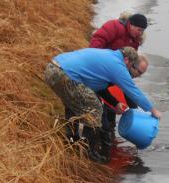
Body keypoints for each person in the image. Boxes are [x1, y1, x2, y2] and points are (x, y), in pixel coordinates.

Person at [44, 47, 161, 163]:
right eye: (137, 71)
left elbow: (99, 88)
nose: (137, 75)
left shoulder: (110, 57)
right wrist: (152, 110)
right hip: (62, 74)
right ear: (127, 61)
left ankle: (71, 142)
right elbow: (133, 91)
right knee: (95, 108)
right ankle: (90, 153)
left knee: (76, 104)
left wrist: (115, 103)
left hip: (53, 68)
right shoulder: (118, 66)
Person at [89, 12, 149, 161]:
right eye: (138, 30)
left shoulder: (134, 42)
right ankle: (95, 149)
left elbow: (127, 73)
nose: (140, 33)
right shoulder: (113, 26)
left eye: (142, 31)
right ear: (131, 24)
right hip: (98, 71)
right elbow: (97, 41)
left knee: (110, 109)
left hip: (112, 77)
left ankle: (109, 145)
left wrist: (136, 110)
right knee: (98, 108)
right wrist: (99, 63)